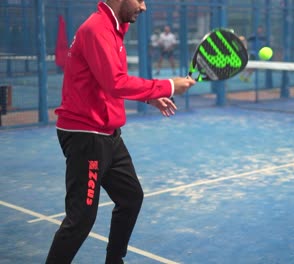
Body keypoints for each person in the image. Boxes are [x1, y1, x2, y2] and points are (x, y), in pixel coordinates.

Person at [45, 1, 196, 263]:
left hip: (107, 132)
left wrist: (150, 98)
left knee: (130, 197)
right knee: (81, 218)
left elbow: (107, 81)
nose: (144, 6)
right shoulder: (97, 29)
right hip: (86, 135)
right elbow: (114, 82)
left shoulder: (114, 29)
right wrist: (168, 86)